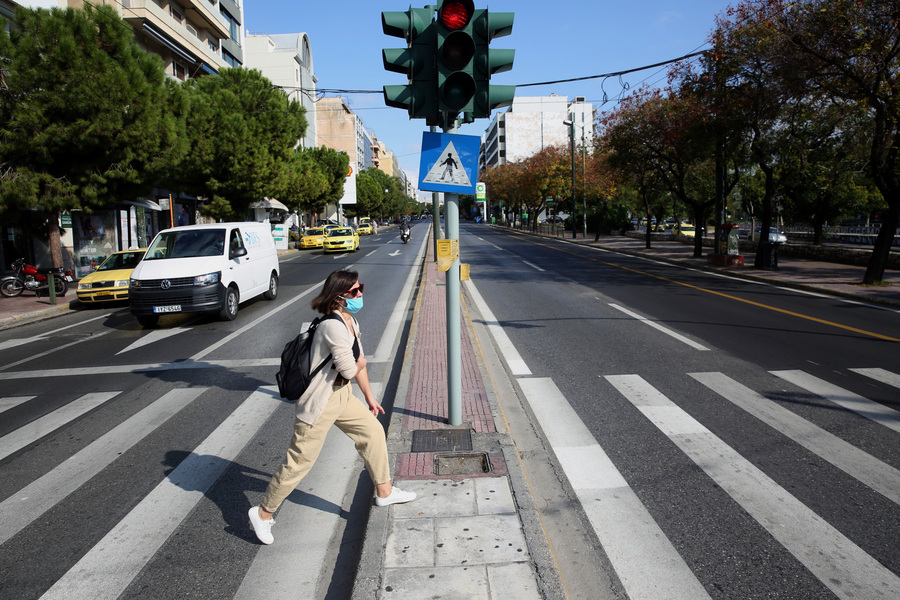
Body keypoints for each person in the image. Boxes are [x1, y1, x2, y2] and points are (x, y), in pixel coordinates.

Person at [248, 270, 416, 545]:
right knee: (300, 461)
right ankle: (263, 514)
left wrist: (370, 397)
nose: (360, 295)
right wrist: (359, 362)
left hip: (342, 396)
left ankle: (384, 492)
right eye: (354, 292)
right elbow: (351, 367)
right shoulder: (333, 327)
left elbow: (356, 366)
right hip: (320, 402)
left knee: (372, 431)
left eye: (360, 288)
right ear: (338, 298)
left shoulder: (349, 321)